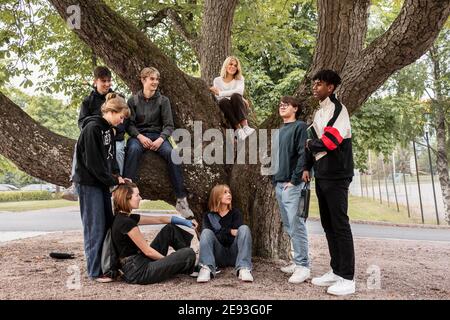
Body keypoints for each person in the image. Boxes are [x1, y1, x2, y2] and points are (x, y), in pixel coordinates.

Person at [303, 69, 355, 296]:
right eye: (314, 84)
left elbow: (330, 141)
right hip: (322, 173)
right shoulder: (319, 113)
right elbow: (316, 139)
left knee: (340, 224)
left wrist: (310, 145)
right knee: (328, 224)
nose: (315, 87)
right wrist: (308, 162)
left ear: (331, 88)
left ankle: (348, 278)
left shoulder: (338, 109)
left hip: (337, 173)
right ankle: (336, 270)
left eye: (319, 84)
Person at [72, 93, 130, 282]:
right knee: (94, 228)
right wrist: (112, 181)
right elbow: (94, 163)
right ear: (112, 112)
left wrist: (117, 175)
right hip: (89, 184)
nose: (122, 122)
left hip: (101, 184)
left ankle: (107, 267)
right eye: (121, 117)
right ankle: (95, 271)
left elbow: (110, 158)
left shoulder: (109, 130)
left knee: (107, 225)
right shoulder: (92, 128)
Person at [123, 67, 194, 218]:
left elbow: (169, 125)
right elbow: (128, 125)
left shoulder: (163, 101)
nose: (155, 82)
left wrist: (161, 139)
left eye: (157, 79)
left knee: (172, 154)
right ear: (143, 80)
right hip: (139, 137)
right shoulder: (133, 100)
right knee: (133, 150)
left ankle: (181, 200)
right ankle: (125, 195)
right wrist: (140, 137)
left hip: (158, 136)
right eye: (152, 79)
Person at [111, 182, 197, 284]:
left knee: (170, 229)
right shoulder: (126, 223)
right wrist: (170, 261)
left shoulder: (127, 217)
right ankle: (187, 263)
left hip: (140, 261)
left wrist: (185, 222)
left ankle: (188, 265)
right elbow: (148, 251)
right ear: (127, 197)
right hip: (138, 271)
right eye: (137, 195)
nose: (140, 198)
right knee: (188, 253)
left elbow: (160, 219)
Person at [62, 66, 127, 201]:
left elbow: (124, 121)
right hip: (95, 137)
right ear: (95, 81)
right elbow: (82, 123)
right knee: (77, 147)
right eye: (103, 81)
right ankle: (75, 183)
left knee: (119, 150)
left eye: (109, 81)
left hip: (114, 137)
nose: (107, 84)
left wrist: (114, 130)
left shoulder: (118, 98)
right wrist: (97, 130)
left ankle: (115, 183)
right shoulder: (88, 101)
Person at [272, 96, 310, 284]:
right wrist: (274, 180)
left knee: (297, 225)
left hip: (292, 184)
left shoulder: (300, 127)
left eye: (286, 104)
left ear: (295, 108)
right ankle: (297, 262)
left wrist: (295, 181)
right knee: (289, 226)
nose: (282, 106)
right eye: (280, 104)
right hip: (280, 183)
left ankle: (303, 267)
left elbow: (304, 154)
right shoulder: (280, 130)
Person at [196, 184, 253, 283]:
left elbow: (237, 236)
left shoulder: (235, 213)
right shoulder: (208, 216)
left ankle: (244, 268)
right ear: (216, 196)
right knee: (206, 232)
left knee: (244, 229)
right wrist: (229, 231)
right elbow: (210, 238)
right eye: (225, 192)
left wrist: (219, 232)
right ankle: (206, 268)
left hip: (235, 255)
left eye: (229, 192)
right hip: (217, 256)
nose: (229, 195)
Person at [210, 56, 255, 141]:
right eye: (231, 64)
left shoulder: (240, 78)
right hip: (226, 107)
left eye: (235, 65)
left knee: (236, 96)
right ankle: (239, 130)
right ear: (226, 65)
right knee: (223, 101)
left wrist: (221, 92)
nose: (233, 67)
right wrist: (223, 95)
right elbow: (218, 98)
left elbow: (239, 92)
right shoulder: (217, 80)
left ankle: (245, 127)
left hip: (239, 106)